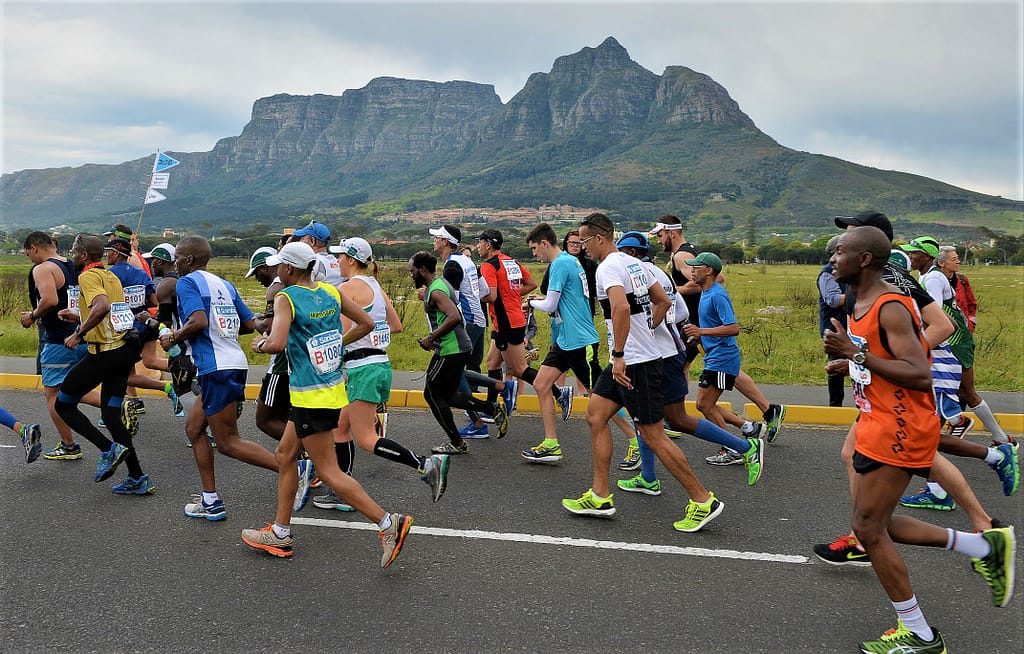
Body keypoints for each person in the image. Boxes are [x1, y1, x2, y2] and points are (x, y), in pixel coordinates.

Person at [821, 225, 1014, 653]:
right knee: (876, 525)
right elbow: (885, 362)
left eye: (841, 253)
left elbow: (918, 370)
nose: (833, 259)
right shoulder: (859, 302)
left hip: (900, 428)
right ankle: (982, 546)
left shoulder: (890, 305)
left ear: (865, 259)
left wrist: (856, 355)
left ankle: (922, 634)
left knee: (868, 528)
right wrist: (854, 368)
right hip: (879, 423)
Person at [814, 210, 996, 565]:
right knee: (904, 458)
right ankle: (981, 522)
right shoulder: (863, 284)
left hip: (898, 398)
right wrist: (861, 360)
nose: (838, 247)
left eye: (849, 235)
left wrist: (885, 359)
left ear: (869, 248)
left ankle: (867, 536)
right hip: (880, 394)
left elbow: (940, 325)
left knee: (916, 462)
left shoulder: (891, 279)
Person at [240, 241, 413, 566]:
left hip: (309, 395)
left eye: (280, 266)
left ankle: (389, 524)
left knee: (330, 472)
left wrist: (261, 345)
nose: (277, 271)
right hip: (332, 390)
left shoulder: (285, 298)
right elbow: (367, 323)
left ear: (290, 269)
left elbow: (277, 343)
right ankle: (280, 531)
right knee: (285, 454)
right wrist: (337, 344)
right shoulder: (331, 292)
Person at [562, 213, 726, 533]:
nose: (582, 247)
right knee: (596, 415)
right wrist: (645, 331)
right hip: (628, 359)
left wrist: (624, 352)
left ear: (598, 238)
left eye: (583, 241)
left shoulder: (609, 266)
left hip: (633, 363)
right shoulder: (633, 263)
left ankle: (702, 499)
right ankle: (600, 495)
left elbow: (621, 308)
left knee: (653, 434)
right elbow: (663, 300)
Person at [615, 232, 763, 490]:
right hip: (662, 354)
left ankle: (741, 446)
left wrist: (650, 330)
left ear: (630, 254)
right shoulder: (661, 276)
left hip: (655, 357)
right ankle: (649, 478)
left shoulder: (636, 279)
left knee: (678, 417)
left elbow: (731, 326)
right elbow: (681, 311)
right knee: (647, 417)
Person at [315, 237, 450, 509]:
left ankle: (425, 465)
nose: (337, 261)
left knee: (365, 439)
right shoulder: (375, 285)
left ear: (351, 260)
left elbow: (340, 334)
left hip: (361, 367)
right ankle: (343, 492)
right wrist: (370, 334)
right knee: (340, 429)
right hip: (379, 364)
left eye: (340, 257)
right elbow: (395, 325)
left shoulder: (347, 288)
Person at [161, 235, 279, 521]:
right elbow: (250, 324)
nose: (174, 262)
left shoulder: (187, 283)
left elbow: (198, 321)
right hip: (233, 363)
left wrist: (172, 336)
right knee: (194, 429)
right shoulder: (223, 285)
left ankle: (290, 467)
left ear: (188, 259)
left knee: (228, 442)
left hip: (216, 366)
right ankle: (210, 500)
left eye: (177, 256)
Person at [650, 215, 786, 441]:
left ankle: (676, 416)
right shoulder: (688, 251)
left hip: (697, 324)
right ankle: (767, 411)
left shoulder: (681, 255)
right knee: (724, 371)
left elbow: (715, 278)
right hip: (701, 324)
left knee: (682, 367)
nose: (658, 240)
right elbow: (716, 276)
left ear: (671, 232)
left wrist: (673, 292)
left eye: (660, 235)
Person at [54, 234, 153, 494]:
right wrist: (78, 315)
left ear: (84, 255)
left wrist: (78, 333)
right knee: (110, 415)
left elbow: (102, 306)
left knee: (63, 404)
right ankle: (138, 478)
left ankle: (108, 450)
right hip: (123, 352)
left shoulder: (87, 277)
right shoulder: (111, 276)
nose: (73, 256)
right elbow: (110, 311)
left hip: (105, 354)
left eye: (75, 252)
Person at [408, 251, 508, 455]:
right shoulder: (440, 283)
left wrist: (431, 337)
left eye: (412, 270)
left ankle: (456, 442)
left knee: (431, 395)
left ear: (422, 269)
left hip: (450, 350)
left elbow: (454, 316)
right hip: (457, 347)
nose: (411, 274)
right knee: (450, 395)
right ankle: (492, 409)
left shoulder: (435, 291)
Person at [680, 252, 772, 469]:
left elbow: (733, 328)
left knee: (704, 404)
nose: (692, 271)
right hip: (714, 356)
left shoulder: (717, 295)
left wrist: (701, 330)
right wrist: (699, 337)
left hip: (722, 358)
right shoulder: (706, 292)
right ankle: (748, 428)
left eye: (696, 267)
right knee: (705, 404)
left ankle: (733, 447)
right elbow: (716, 325)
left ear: (709, 270)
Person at [520, 223, 600, 462]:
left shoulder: (560, 264)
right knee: (542, 384)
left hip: (579, 340)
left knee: (602, 397)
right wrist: (538, 299)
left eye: (535, 248)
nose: (535, 254)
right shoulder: (568, 261)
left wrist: (532, 303)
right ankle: (551, 443)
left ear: (545, 243)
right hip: (565, 340)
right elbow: (559, 300)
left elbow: (551, 306)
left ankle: (634, 440)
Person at [20, 230, 101, 461]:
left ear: (34, 248)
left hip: (58, 339)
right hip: (80, 334)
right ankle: (116, 404)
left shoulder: (43, 268)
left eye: (29, 254)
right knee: (72, 387)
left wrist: (32, 316)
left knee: (53, 393)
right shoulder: (72, 265)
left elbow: (50, 300)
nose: (31, 260)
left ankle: (69, 445)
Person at [104, 237, 174, 421]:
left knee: (119, 374)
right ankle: (134, 402)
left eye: (109, 251)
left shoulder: (110, 276)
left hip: (124, 330)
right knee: (148, 362)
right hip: (145, 325)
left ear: (117, 253)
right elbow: (153, 301)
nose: (106, 255)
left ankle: (112, 411)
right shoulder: (141, 274)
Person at [475, 228, 538, 415]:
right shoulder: (512, 261)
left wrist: (471, 297)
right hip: (513, 319)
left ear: (488, 244)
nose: (478, 246)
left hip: (506, 323)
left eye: (480, 242)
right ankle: (491, 407)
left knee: (519, 369)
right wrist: (510, 295)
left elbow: (491, 295)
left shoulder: (488, 265)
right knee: (492, 364)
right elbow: (531, 283)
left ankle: (557, 391)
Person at [248, 246, 290, 442]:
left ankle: (308, 450)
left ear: (266, 267)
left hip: (282, 363)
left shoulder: (276, 287)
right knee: (287, 416)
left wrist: (253, 320)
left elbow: (269, 325)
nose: (257, 279)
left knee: (265, 419)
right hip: (301, 360)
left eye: (257, 273)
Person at [143, 243, 185, 415]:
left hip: (181, 337)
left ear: (160, 261)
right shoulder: (180, 280)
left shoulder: (166, 284)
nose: (152, 264)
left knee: (189, 387)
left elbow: (165, 320)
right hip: (187, 336)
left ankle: (205, 433)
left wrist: (146, 321)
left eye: (153, 260)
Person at [818, 235, 847, 406]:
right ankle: (835, 406)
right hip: (834, 327)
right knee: (836, 368)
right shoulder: (827, 273)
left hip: (846, 326)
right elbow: (833, 299)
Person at [293, 220, 343, 285]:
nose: (300, 241)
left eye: (303, 238)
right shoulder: (337, 262)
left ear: (312, 241)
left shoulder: (312, 263)